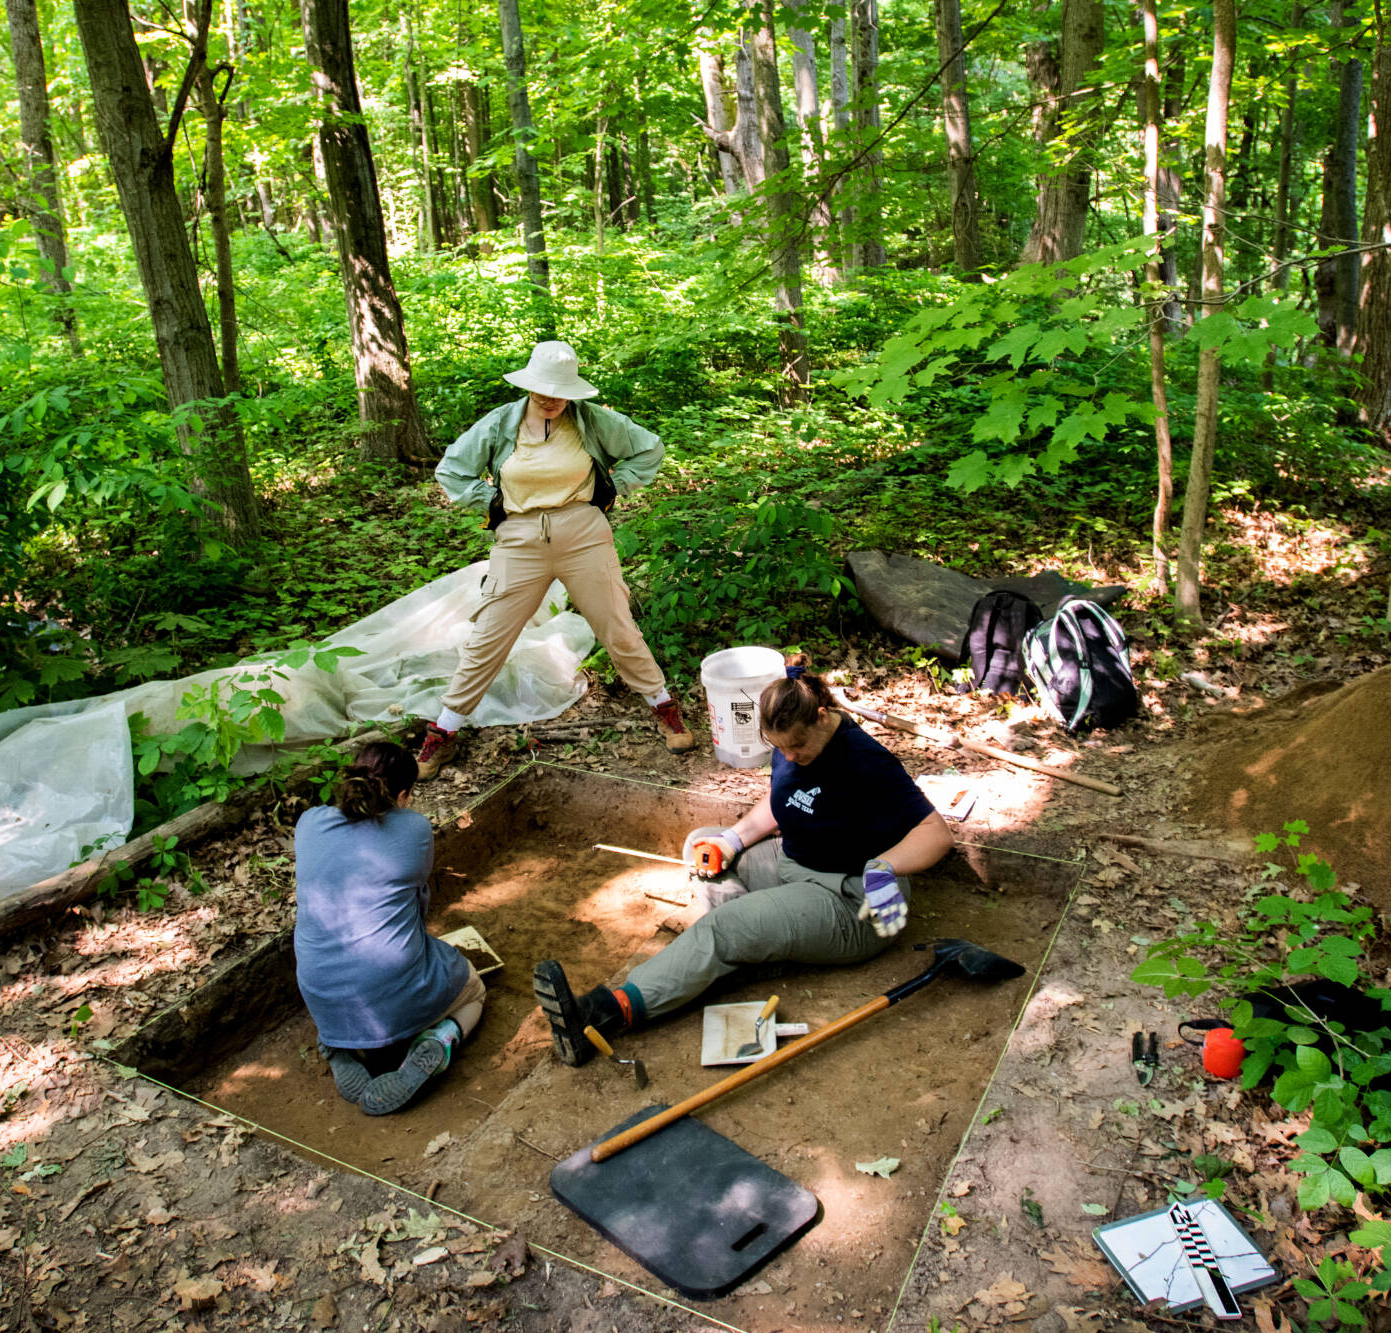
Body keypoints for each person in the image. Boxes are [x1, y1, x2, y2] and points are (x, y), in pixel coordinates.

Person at [532, 667, 954, 1064]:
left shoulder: (866, 761)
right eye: (779, 748)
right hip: (795, 862)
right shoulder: (793, 740)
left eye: (797, 747)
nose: (789, 756)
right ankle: (756, 947)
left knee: (725, 927)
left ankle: (605, 1013)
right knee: (703, 844)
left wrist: (883, 867)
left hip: (850, 900)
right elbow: (786, 799)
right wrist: (732, 841)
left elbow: (936, 832)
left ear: (822, 718)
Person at [415, 340, 695, 779]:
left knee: (616, 625)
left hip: (584, 533)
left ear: (573, 392)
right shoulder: (500, 424)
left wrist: (615, 485)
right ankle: (443, 732)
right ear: (528, 386)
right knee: (488, 636)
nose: (549, 399)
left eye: (559, 391)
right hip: (520, 539)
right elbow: (452, 470)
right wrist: (489, 501)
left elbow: (650, 448)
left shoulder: (590, 420)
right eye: (542, 390)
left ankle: (664, 708)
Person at [293, 741, 488, 1115]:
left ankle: (337, 1047)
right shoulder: (413, 827)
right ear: (403, 794)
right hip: (392, 993)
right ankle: (440, 1040)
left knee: (341, 979)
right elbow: (418, 904)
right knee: (475, 991)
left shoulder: (310, 822)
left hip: (319, 989)